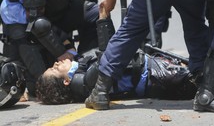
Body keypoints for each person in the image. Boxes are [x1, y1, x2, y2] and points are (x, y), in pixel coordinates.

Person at [36, 49, 196, 104]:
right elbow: (107, 56)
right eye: (54, 69)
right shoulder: (87, 82)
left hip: (156, 70)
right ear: (66, 81)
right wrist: (103, 21)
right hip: (160, 75)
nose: (56, 64)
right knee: (206, 78)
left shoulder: (83, 72)